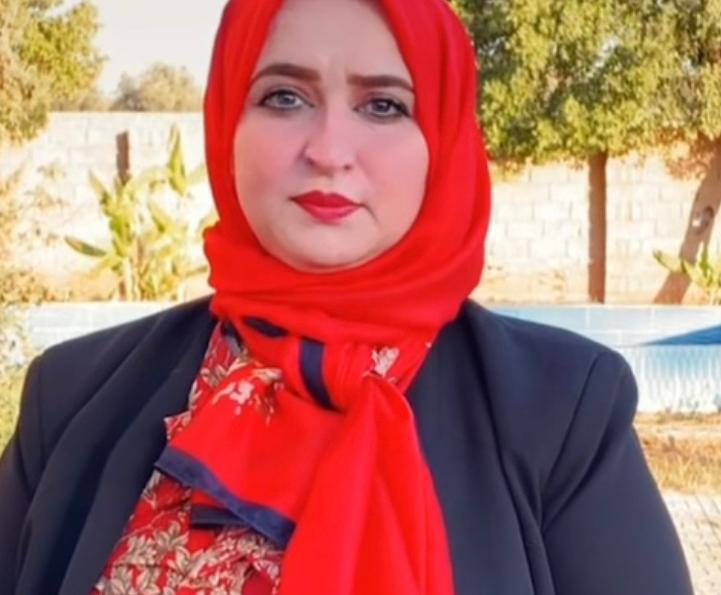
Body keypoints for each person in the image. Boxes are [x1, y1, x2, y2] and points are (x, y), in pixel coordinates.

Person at [0, 0, 693, 593]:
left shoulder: (561, 411)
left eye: (383, 105)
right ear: (226, 122)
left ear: (442, 138)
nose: (329, 149)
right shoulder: (71, 397)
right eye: (284, 96)